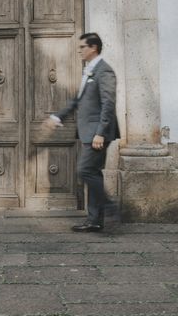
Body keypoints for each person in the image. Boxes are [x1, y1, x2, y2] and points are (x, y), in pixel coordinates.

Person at [43, 33, 120, 232]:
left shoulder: (104, 72)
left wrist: (100, 133)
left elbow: (108, 104)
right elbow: (77, 101)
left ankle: (109, 206)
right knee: (92, 172)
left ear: (93, 47)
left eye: (82, 47)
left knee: (85, 170)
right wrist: (57, 116)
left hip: (97, 133)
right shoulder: (90, 71)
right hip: (89, 131)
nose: (79, 50)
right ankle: (94, 221)